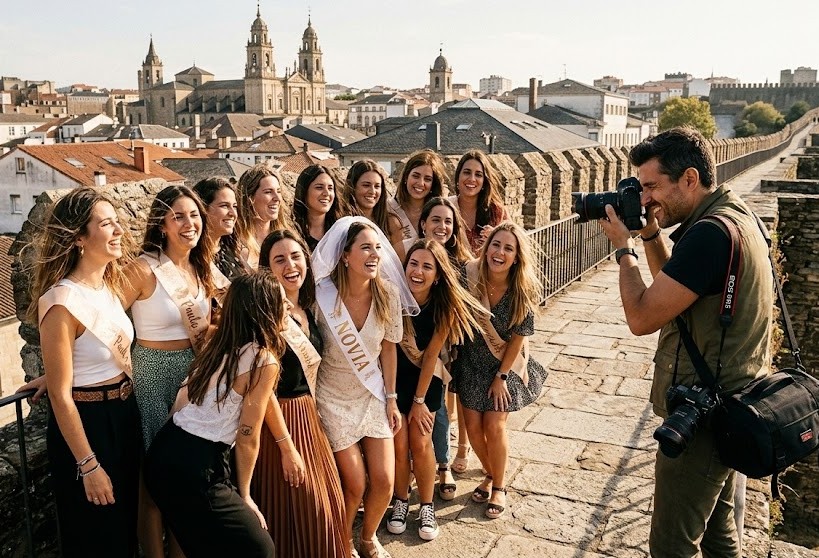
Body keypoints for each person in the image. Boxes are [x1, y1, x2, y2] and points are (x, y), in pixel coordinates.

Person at [598, 127, 773, 558]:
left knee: (672, 546)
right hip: (734, 401)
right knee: (718, 536)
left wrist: (622, 249)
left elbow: (642, 316)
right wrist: (651, 234)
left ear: (690, 179)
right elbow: (674, 287)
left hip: (705, 417)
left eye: (652, 187)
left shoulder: (710, 236)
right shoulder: (732, 214)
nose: (644, 198)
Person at [27, 187, 140, 557]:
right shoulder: (60, 302)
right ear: (78, 237)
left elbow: (97, 356)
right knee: (96, 537)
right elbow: (61, 396)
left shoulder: (107, 286)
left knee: (124, 531)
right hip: (88, 426)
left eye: (117, 222)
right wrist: (89, 466)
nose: (119, 230)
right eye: (107, 224)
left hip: (123, 416)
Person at [144, 271, 285, 558]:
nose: (288, 307)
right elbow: (248, 437)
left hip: (165, 452)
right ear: (266, 309)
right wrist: (244, 495)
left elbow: (184, 399)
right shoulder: (263, 360)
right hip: (197, 463)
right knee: (259, 549)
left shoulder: (218, 345)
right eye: (281, 302)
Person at [311, 216, 419, 558]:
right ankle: (340, 542)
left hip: (371, 395)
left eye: (377, 248)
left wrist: (390, 398)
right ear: (345, 255)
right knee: (355, 484)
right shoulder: (321, 296)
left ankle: (368, 536)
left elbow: (388, 349)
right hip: (332, 397)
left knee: (385, 480)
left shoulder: (386, 293)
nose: (374, 254)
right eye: (365, 248)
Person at [122, 185, 216, 558]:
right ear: (161, 224)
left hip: (191, 377)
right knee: (154, 484)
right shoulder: (144, 268)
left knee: (184, 480)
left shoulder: (199, 267)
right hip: (153, 377)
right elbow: (99, 319)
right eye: (178, 216)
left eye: (194, 215)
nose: (188, 223)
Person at [254, 229, 349, 557]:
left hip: (309, 417)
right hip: (278, 424)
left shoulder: (308, 310)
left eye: (296, 256)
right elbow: (262, 391)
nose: (290, 265)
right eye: (279, 259)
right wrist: (285, 447)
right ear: (267, 269)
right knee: (303, 508)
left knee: (327, 505)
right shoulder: (264, 316)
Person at [388, 239, 485, 541]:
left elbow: (430, 356)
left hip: (425, 382)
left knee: (420, 440)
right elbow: (388, 349)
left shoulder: (444, 307)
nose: (417, 271)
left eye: (427, 266)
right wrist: (391, 396)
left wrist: (418, 401)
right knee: (399, 443)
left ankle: (426, 505)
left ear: (439, 274)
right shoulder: (393, 299)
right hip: (394, 380)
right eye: (413, 264)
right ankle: (401, 500)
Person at [453, 222, 547, 520]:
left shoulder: (522, 289)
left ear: (517, 256)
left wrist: (501, 377)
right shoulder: (468, 276)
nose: (500, 252)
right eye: (496, 244)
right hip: (470, 363)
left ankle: (499, 486)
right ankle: (492, 474)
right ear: (486, 246)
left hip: (503, 366)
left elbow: (519, 336)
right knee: (474, 432)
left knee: (494, 425)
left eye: (509, 248)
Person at [414, 196, 475, 490]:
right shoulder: (412, 255)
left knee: (438, 406)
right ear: (423, 223)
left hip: (446, 345)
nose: (442, 226)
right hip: (410, 343)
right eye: (435, 220)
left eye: (448, 221)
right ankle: (419, 463)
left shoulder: (461, 263)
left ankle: (443, 464)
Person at [388, 149, 448, 259]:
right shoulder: (388, 209)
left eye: (427, 179)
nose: (421, 183)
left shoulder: (440, 214)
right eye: (416, 176)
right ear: (406, 177)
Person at [450, 150, 509, 255]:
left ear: (484, 181)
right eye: (467, 172)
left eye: (478, 175)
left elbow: (513, 247)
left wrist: (495, 238)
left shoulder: (497, 212)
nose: (472, 179)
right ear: (458, 176)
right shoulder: (446, 208)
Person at [235, 163, 290, 268]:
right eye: (268, 192)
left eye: (278, 191)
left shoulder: (287, 238)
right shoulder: (235, 243)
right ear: (250, 197)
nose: (277, 198)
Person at [193, 176, 248, 280]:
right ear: (203, 209)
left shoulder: (233, 251)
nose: (233, 213)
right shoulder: (190, 258)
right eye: (224, 206)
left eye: (234, 206)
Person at [344, 159, 403, 247]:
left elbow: (399, 260)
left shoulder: (391, 223)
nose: (372, 191)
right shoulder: (342, 221)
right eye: (366, 185)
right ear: (352, 186)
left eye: (377, 186)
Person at [293, 164, 347, 251]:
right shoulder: (292, 231)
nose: (326, 193)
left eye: (330, 188)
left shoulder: (342, 232)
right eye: (319, 187)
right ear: (304, 191)